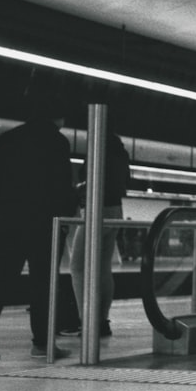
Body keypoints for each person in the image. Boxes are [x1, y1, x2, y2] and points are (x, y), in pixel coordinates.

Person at [0, 92, 77, 361]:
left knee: (3, 279)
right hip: (44, 223)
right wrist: (65, 219)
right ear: (57, 116)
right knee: (42, 284)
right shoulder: (57, 141)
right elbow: (63, 187)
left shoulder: (7, 139)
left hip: (9, 221)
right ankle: (42, 343)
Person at [61, 132, 130, 339]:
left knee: (78, 266)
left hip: (96, 210)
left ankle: (87, 322)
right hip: (116, 210)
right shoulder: (120, 152)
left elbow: (92, 179)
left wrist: (80, 188)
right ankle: (102, 321)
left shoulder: (99, 148)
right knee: (103, 267)